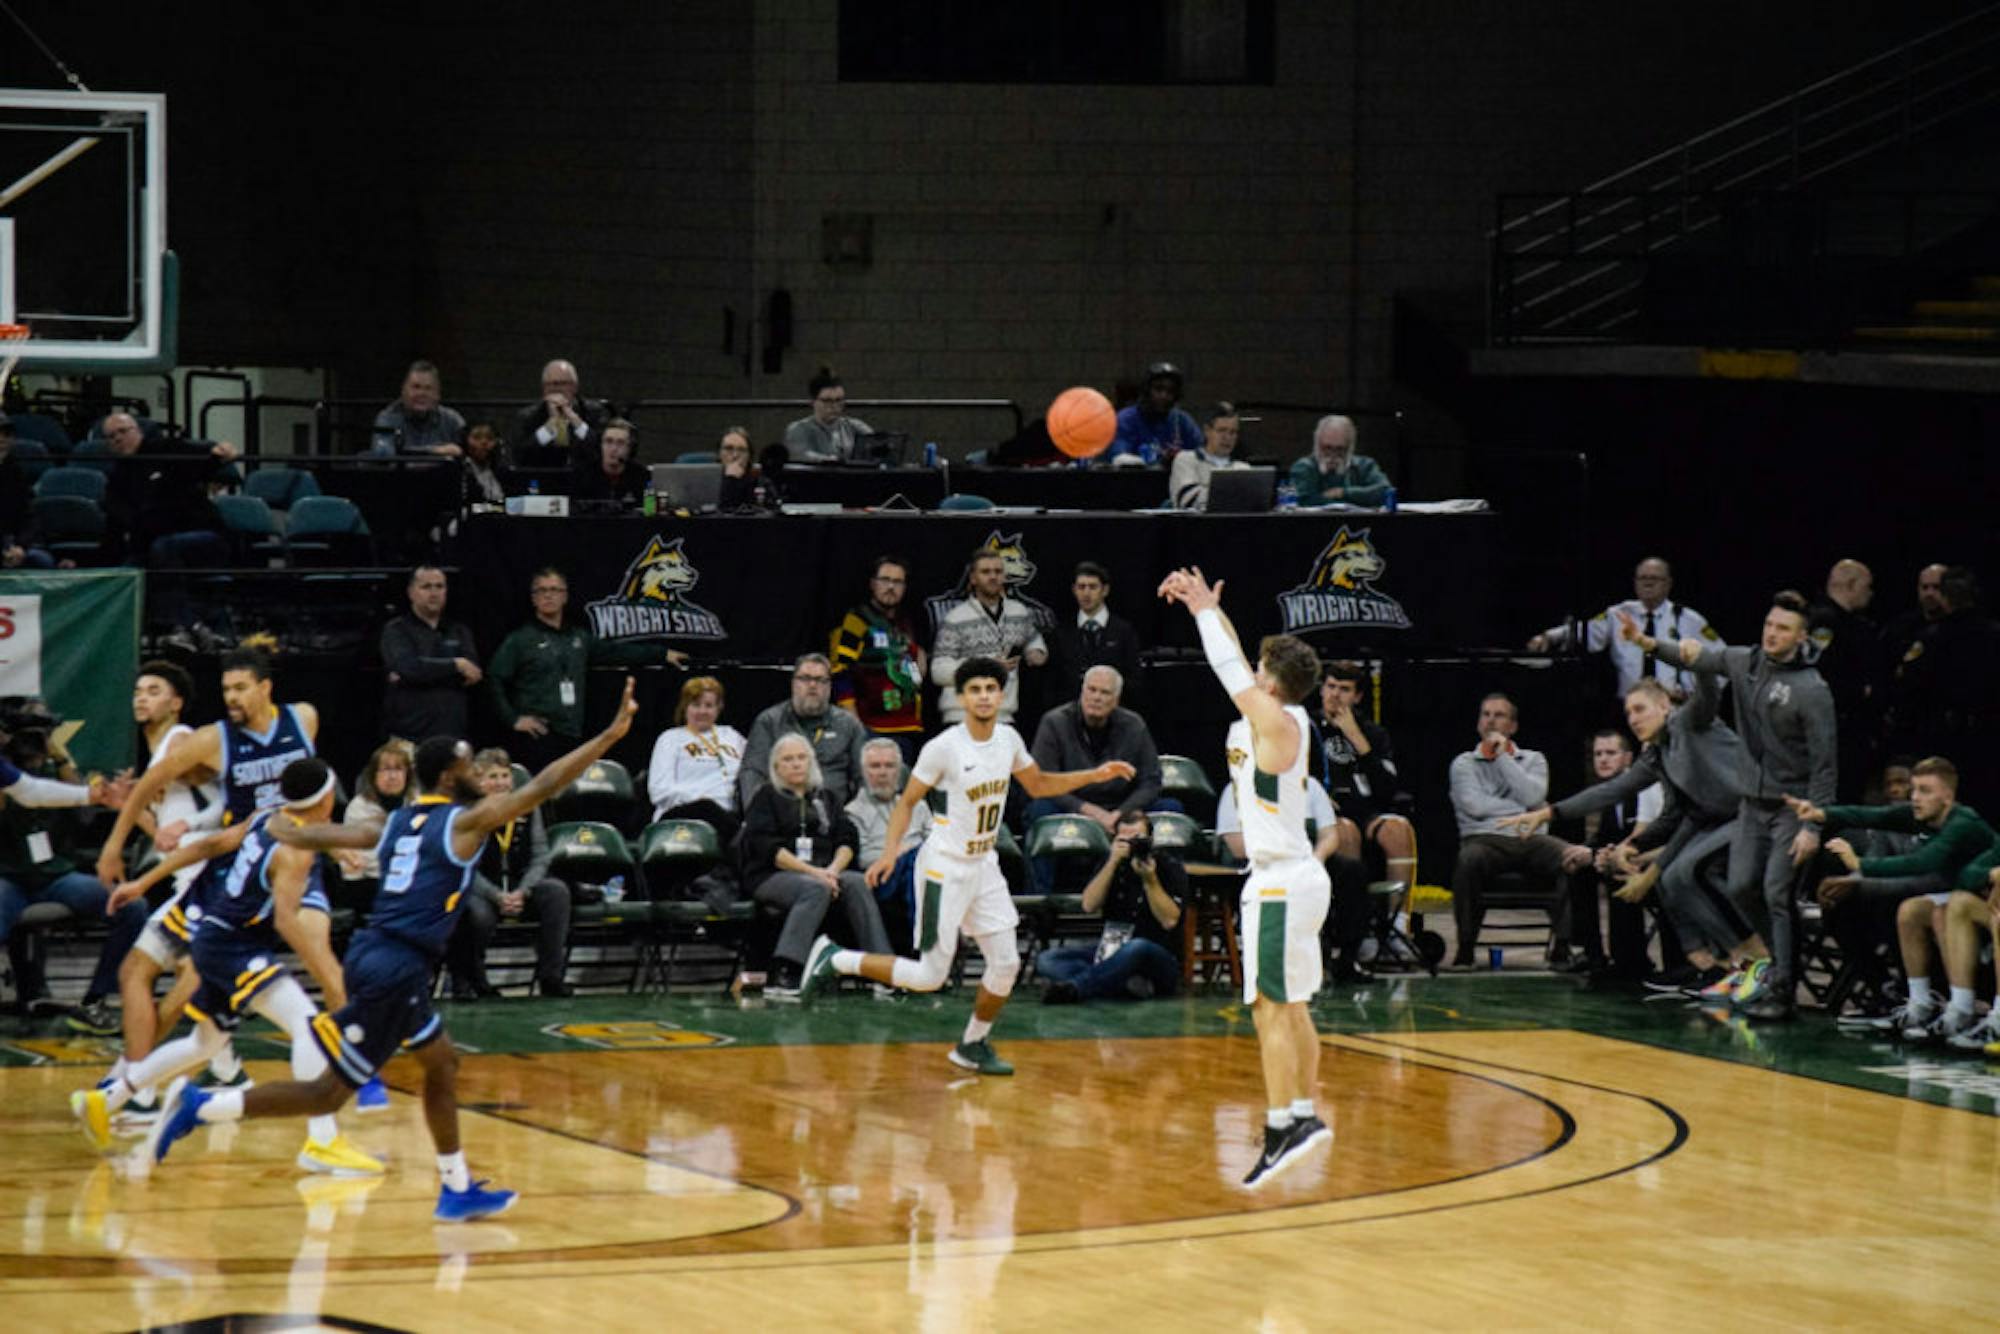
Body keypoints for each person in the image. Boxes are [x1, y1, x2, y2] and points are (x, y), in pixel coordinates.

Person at [144, 681, 642, 1221]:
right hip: (395, 964)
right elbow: (545, 784)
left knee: (441, 1062)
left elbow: (324, 836)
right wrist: (610, 735)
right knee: (327, 1095)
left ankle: (455, 1186)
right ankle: (204, 1106)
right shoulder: (466, 822)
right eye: (471, 766)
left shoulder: (395, 823)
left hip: (384, 956)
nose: (479, 774)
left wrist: (280, 827)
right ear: (451, 775)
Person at [800, 657, 1135, 1075]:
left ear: (1001, 695)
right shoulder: (944, 747)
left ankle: (972, 1044)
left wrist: (1095, 774)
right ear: (961, 698)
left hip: (984, 864)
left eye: (990, 689)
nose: (983, 696)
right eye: (974, 690)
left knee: (1007, 963)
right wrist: (889, 853)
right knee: (928, 976)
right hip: (944, 866)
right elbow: (906, 801)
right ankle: (835, 959)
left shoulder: (1009, 739)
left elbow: (1039, 785)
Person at [93, 643, 391, 1110]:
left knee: (320, 953)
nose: (231, 697)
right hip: (238, 871)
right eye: (225, 689)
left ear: (265, 687)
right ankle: (133, 1082)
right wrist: (114, 846)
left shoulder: (304, 719)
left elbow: (310, 800)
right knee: (179, 991)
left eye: (240, 688)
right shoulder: (215, 739)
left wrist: (332, 845)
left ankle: (358, 1069)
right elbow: (150, 785)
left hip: (293, 861)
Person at [82, 759, 380, 1178]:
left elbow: (207, 846)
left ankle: (108, 1098)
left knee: (204, 1043)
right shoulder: (293, 852)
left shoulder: (269, 818)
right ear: (328, 799)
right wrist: (329, 973)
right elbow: (286, 921)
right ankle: (324, 1142)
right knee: (308, 1025)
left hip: (214, 937)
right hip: (233, 945)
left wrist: (144, 882)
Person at [1155, 566, 1331, 1187]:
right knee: (1294, 1006)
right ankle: (1304, 1113)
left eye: (1262, 669)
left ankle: (1286, 1122)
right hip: (1295, 875)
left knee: (1270, 1008)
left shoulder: (1276, 724)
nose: (1252, 672)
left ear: (1272, 683)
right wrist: (1207, 610)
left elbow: (1232, 671)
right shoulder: (1283, 713)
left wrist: (1204, 611)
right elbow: (1238, 660)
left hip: (1281, 880)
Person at [1623, 589, 1837, 1021]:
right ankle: (1772, 964)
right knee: (1740, 885)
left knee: (1776, 891)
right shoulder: (1745, 662)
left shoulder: (1812, 690)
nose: (1772, 634)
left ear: (1800, 638)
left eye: (1783, 629)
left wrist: (1813, 826)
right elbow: (1699, 657)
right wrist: (1649, 645)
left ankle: (1782, 987)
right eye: (1769, 625)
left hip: (1791, 809)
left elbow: (1825, 764)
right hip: (1751, 806)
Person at [1792, 758, 2000, 1043]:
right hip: (1967, 895)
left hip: (1970, 901)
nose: (1915, 797)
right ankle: (1922, 1004)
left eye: (1924, 790)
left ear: (1947, 797)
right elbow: (1869, 816)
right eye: (1914, 789)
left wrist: (1859, 865)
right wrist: (1822, 814)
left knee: (1949, 908)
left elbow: (1924, 862)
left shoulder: (1963, 823)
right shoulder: (1921, 816)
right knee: (1910, 910)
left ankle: (1968, 1009)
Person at [105, 661, 227, 1115]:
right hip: (186, 877)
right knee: (170, 981)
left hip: (208, 877)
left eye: (154, 690)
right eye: (138, 690)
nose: (142, 697)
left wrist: (190, 822)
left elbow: (225, 802)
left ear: (175, 703)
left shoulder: (181, 741)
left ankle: (135, 1082)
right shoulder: (159, 751)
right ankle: (224, 1066)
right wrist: (131, 808)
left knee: (159, 978)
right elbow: (162, 834)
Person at [0, 704, 141, 1034]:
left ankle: (94, 1001)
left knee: (131, 905)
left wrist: (94, 794)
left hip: (55, 876)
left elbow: (32, 792)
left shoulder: (40, 769)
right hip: (8, 878)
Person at [486, 567, 688, 770]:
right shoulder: (520, 639)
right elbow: (494, 677)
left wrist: (662, 654)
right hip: (538, 734)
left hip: (572, 733)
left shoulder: (579, 637)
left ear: (564, 596)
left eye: (555, 590)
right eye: (541, 590)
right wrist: (512, 719)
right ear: (533, 598)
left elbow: (616, 652)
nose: (548, 595)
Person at [742, 734, 893, 999]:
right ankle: (784, 971)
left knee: (856, 881)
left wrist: (833, 870)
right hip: (774, 875)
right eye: (788, 759)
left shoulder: (826, 798)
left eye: (801, 758)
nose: (796, 764)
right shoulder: (765, 797)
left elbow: (847, 838)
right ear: (776, 767)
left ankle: (882, 968)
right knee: (815, 889)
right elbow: (767, 849)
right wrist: (816, 873)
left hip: (825, 871)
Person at [1506, 729, 1665, 978]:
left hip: (1652, 860)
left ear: (1628, 758)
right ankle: (1592, 954)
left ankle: (1630, 960)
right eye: (1597, 754)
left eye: (1610, 753)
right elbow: (1603, 838)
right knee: (1577, 866)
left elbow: (1648, 837)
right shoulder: (1608, 796)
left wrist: (1605, 855)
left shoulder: (1644, 790)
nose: (1602, 759)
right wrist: (1589, 852)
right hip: (1619, 855)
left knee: (1615, 871)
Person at [1447, 693, 1577, 968]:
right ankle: (1466, 946)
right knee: (1468, 860)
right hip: (1485, 840)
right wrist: (1522, 811)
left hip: (1532, 838)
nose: (1491, 720)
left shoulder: (1534, 760)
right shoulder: (1463, 764)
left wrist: (1504, 758)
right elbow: (1475, 806)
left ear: (1513, 726)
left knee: (1573, 856)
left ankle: (1564, 946)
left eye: (1499, 715)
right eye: (1486, 714)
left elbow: (1533, 795)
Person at [1218, 774, 1375, 984]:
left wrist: (1316, 861)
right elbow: (1236, 844)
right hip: (1261, 862)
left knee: (1352, 872)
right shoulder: (1238, 788)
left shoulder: (1310, 785)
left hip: (1306, 860)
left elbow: (1329, 835)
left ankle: (1347, 959)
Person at [1023, 666, 1167, 892]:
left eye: (1105, 693)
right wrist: (1091, 811)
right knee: (1040, 809)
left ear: (1116, 699)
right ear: (1082, 691)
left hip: (1119, 807)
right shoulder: (1054, 722)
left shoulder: (1134, 725)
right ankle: (1039, 906)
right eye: (1092, 690)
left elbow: (1152, 781)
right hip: (1070, 805)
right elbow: (1042, 782)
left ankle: (1163, 899)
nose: (1096, 697)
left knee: (1169, 808)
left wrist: (1120, 813)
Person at [449, 749, 576, 999]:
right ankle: (472, 979)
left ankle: (550, 976)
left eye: (505, 775)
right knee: (477, 913)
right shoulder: (464, 814)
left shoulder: (526, 807)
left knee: (556, 892)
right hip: (481, 888)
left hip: (519, 887)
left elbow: (540, 855)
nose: (500, 783)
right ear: (478, 781)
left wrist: (523, 890)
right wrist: (496, 895)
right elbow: (462, 865)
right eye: (492, 776)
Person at [1311, 661, 1416, 958]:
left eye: (1344, 690)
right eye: (1330, 687)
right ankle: (1356, 929)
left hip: (1367, 807)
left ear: (1357, 697)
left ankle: (1397, 925)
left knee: (1398, 829)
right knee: (1346, 831)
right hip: (1327, 811)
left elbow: (1388, 787)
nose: (1335, 695)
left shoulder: (1373, 733)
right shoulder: (1306, 726)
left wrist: (1357, 738)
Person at [1037, 808, 1185, 1003]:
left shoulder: (1168, 866)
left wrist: (1150, 880)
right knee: (1048, 959)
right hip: (1110, 950)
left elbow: (1169, 921)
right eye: (1124, 840)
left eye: (1137, 839)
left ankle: (1076, 988)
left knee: (1136, 947)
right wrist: (1112, 862)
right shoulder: (1110, 863)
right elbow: (1089, 905)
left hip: (1156, 956)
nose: (1131, 845)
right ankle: (1120, 983)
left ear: (1151, 839)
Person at [1528, 557, 1720, 700]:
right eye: (1642, 578)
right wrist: (1548, 637)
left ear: (1669, 584)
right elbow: (1585, 631)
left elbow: (1721, 660)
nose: (1648, 582)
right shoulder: (1618, 614)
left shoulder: (1688, 619)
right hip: (1629, 708)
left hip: (1674, 707)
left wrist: (1700, 696)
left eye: (1655, 578)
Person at [99, 410, 239, 568]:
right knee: (125, 571)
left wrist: (219, 454)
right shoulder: (117, 478)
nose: (118, 438)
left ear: (137, 431)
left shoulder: (166, 449)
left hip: (196, 531)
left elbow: (203, 460)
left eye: (122, 431)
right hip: (151, 541)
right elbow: (115, 521)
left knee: (163, 548)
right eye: (111, 436)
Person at [738, 653, 872, 810]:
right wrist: (758, 814)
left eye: (820, 680)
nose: (813, 685)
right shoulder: (769, 721)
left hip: (837, 817)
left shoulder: (849, 724)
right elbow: (753, 772)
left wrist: (858, 816)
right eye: (805, 678)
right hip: (782, 816)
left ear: (829, 686)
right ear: (793, 683)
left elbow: (865, 777)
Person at [931, 548, 1048, 726]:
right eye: (986, 572)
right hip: (961, 715)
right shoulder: (955, 618)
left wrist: (1036, 652)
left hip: (1004, 714)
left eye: (998, 571)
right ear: (973, 578)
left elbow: (1034, 642)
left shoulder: (1019, 612)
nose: (993, 577)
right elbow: (938, 671)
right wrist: (985, 667)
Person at [828, 554, 928, 760]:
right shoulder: (857, 620)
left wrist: (919, 670)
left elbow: (912, 670)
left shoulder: (906, 623)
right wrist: (853, 723)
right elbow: (840, 671)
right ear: (873, 584)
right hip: (871, 729)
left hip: (907, 728)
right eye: (885, 580)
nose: (891, 587)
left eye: (898, 582)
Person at [379, 565, 481, 743]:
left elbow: (472, 674)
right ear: (411, 592)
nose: (434, 593)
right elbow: (408, 667)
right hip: (408, 737)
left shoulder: (459, 630)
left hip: (454, 734)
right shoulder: (396, 630)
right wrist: (456, 665)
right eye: (426, 587)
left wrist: (420, 673)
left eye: (439, 586)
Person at [1809, 558, 1879, 802]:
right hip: (1833, 728)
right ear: (1851, 585)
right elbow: (1819, 673)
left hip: (1847, 727)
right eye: (1866, 586)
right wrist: (1859, 691)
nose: (1870, 594)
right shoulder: (1825, 621)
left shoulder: (1852, 623)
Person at [646, 675, 746, 842]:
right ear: (685, 707)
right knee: (707, 808)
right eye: (696, 705)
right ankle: (746, 843)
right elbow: (659, 791)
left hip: (729, 813)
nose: (702, 711)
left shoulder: (732, 736)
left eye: (709, 705)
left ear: (719, 707)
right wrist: (701, 797)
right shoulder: (670, 738)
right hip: (683, 813)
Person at [1045, 561, 1145, 711]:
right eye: (1081, 587)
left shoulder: (1124, 631)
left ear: (1104, 590)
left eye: (1092, 587)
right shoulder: (1061, 632)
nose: (1086, 593)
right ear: (1074, 590)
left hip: (1114, 714)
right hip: (1070, 716)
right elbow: (1051, 681)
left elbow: (1134, 678)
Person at [333, 739, 414, 916]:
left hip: (409, 877)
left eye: (398, 769)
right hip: (370, 882)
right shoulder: (359, 808)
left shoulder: (415, 804)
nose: (392, 776)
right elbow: (367, 862)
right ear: (373, 775)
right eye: (385, 769)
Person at [512, 358, 610, 468]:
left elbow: (603, 450)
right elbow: (520, 457)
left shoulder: (594, 412)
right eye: (551, 384)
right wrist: (549, 428)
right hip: (543, 478)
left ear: (575, 387)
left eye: (562, 384)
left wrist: (575, 421)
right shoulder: (528, 416)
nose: (556, 389)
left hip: (584, 477)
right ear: (544, 389)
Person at [1106, 361, 1203, 464]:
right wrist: (1159, 461)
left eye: (1170, 391)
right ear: (1146, 391)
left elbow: (1203, 455)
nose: (1164, 395)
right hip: (1134, 478)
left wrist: (1180, 458)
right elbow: (1119, 458)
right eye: (1158, 389)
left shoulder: (1182, 420)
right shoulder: (1126, 419)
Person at [1288, 414, 1391, 508]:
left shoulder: (1364, 465)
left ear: (1350, 447)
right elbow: (1304, 501)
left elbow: (1385, 491)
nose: (1333, 454)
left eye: (1340, 449)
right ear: (1317, 444)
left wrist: (1343, 493)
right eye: (1327, 448)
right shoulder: (1304, 467)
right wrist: (1360, 499)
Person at [369, 361, 465, 457]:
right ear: (403, 391)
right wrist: (435, 451)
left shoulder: (452, 420)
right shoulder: (387, 419)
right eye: (416, 387)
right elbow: (383, 458)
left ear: (437, 394)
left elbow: (469, 460)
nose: (422, 394)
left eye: (428, 388)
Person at [1168, 402, 1249, 510]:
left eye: (1233, 432)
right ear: (1207, 431)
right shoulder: (1186, 460)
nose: (1227, 437)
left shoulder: (1243, 468)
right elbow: (1187, 500)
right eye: (1222, 430)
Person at [784, 368, 874, 462]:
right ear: (813, 402)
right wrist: (832, 461)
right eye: (827, 401)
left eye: (838, 400)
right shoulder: (798, 429)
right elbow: (801, 455)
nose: (834, 406)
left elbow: (875, 442)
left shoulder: (854, 427)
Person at [0, 413, 54, 568]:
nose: (2, 439)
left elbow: (29, 516)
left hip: (13, 545)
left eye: (7, 434)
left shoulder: (15, 472)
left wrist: (20, 547)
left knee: (42, 561)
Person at [572, 417, 647, 507]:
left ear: (630, 448)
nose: (613, 449)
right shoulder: (583, 474)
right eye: (608, 441)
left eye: (620, 443)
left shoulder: (641, 475)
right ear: (600, 445)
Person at [716, 426, 779, 512]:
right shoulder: (706, 481)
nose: (735, 455)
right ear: (719, 454)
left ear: (749, 456)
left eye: (741, 450)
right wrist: (730, 481)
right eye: (729, 448)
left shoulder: (761, 483)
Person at [459, 420, 516, 508]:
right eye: (477, 437)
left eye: (489, 438)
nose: (484, 442)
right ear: (465, 441)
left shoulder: (502, 472)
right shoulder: (460, 470)